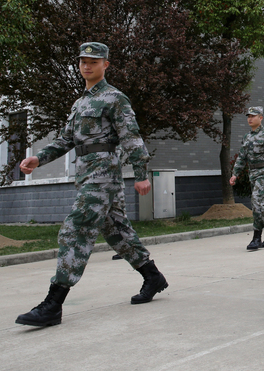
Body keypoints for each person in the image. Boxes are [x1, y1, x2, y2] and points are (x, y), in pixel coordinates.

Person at [15, 42, 168, 327]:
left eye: (94, 62)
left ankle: (53, 303)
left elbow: (131, 137)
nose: (87, 66)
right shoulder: (79, 103)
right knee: (116, 231)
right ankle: (152, 276)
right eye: (83, 61)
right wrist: (39, 158)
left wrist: (141, 173)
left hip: (103, 173)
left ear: (105, 65)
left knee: (76, 229)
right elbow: (65, 140)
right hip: (85, 172)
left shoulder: (114, 98)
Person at [230, 106, 264, 251]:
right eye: (248, 116)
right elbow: (242, 157)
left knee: (256, 201)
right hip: (253, 174)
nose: (250, 118)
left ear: (261, 118)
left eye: (253, 116)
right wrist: (235, 174)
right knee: (263, 204)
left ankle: (256, 237)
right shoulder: (247, 137)